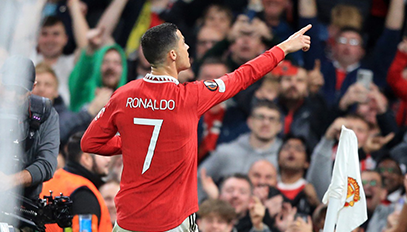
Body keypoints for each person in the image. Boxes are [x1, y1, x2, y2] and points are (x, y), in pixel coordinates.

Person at [81, 22, 312, 232]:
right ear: (172, 54)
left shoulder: (124, 94)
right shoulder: (191, 97)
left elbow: (90, 142)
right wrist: (282, 48)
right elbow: (243, 76)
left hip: (127, 222)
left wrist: (132, 143)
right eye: (183, 42)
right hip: (172, 222)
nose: (188, 46)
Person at [198, 100, 284, 202]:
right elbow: (199, 177)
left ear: (280, 126)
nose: (266, 123)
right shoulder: (226, 152)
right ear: (249, 122)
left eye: (272, 119)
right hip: (227, 214)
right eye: (260, 117)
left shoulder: (286, 157)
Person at [0, 56, 59, 201]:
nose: (13, 96)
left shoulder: (45, 113)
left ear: (33, 87)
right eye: (10, 88)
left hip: (25, 204)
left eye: (20, 91)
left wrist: (10, 181)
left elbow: (47, 164)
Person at [41, 133, 113, 232]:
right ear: (86, 159)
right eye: (103, 154)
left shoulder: (52, 180)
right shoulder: (83, 193)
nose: (108, 159)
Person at [35, 0, 89, 105]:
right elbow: (18, 39)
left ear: (65, 39)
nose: (50, 40)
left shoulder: (70, 63)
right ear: (37, 38)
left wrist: (74, 5)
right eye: (45, 34)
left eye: (56, 34)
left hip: (61, 120)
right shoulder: (28, 58)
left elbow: (86, 47)